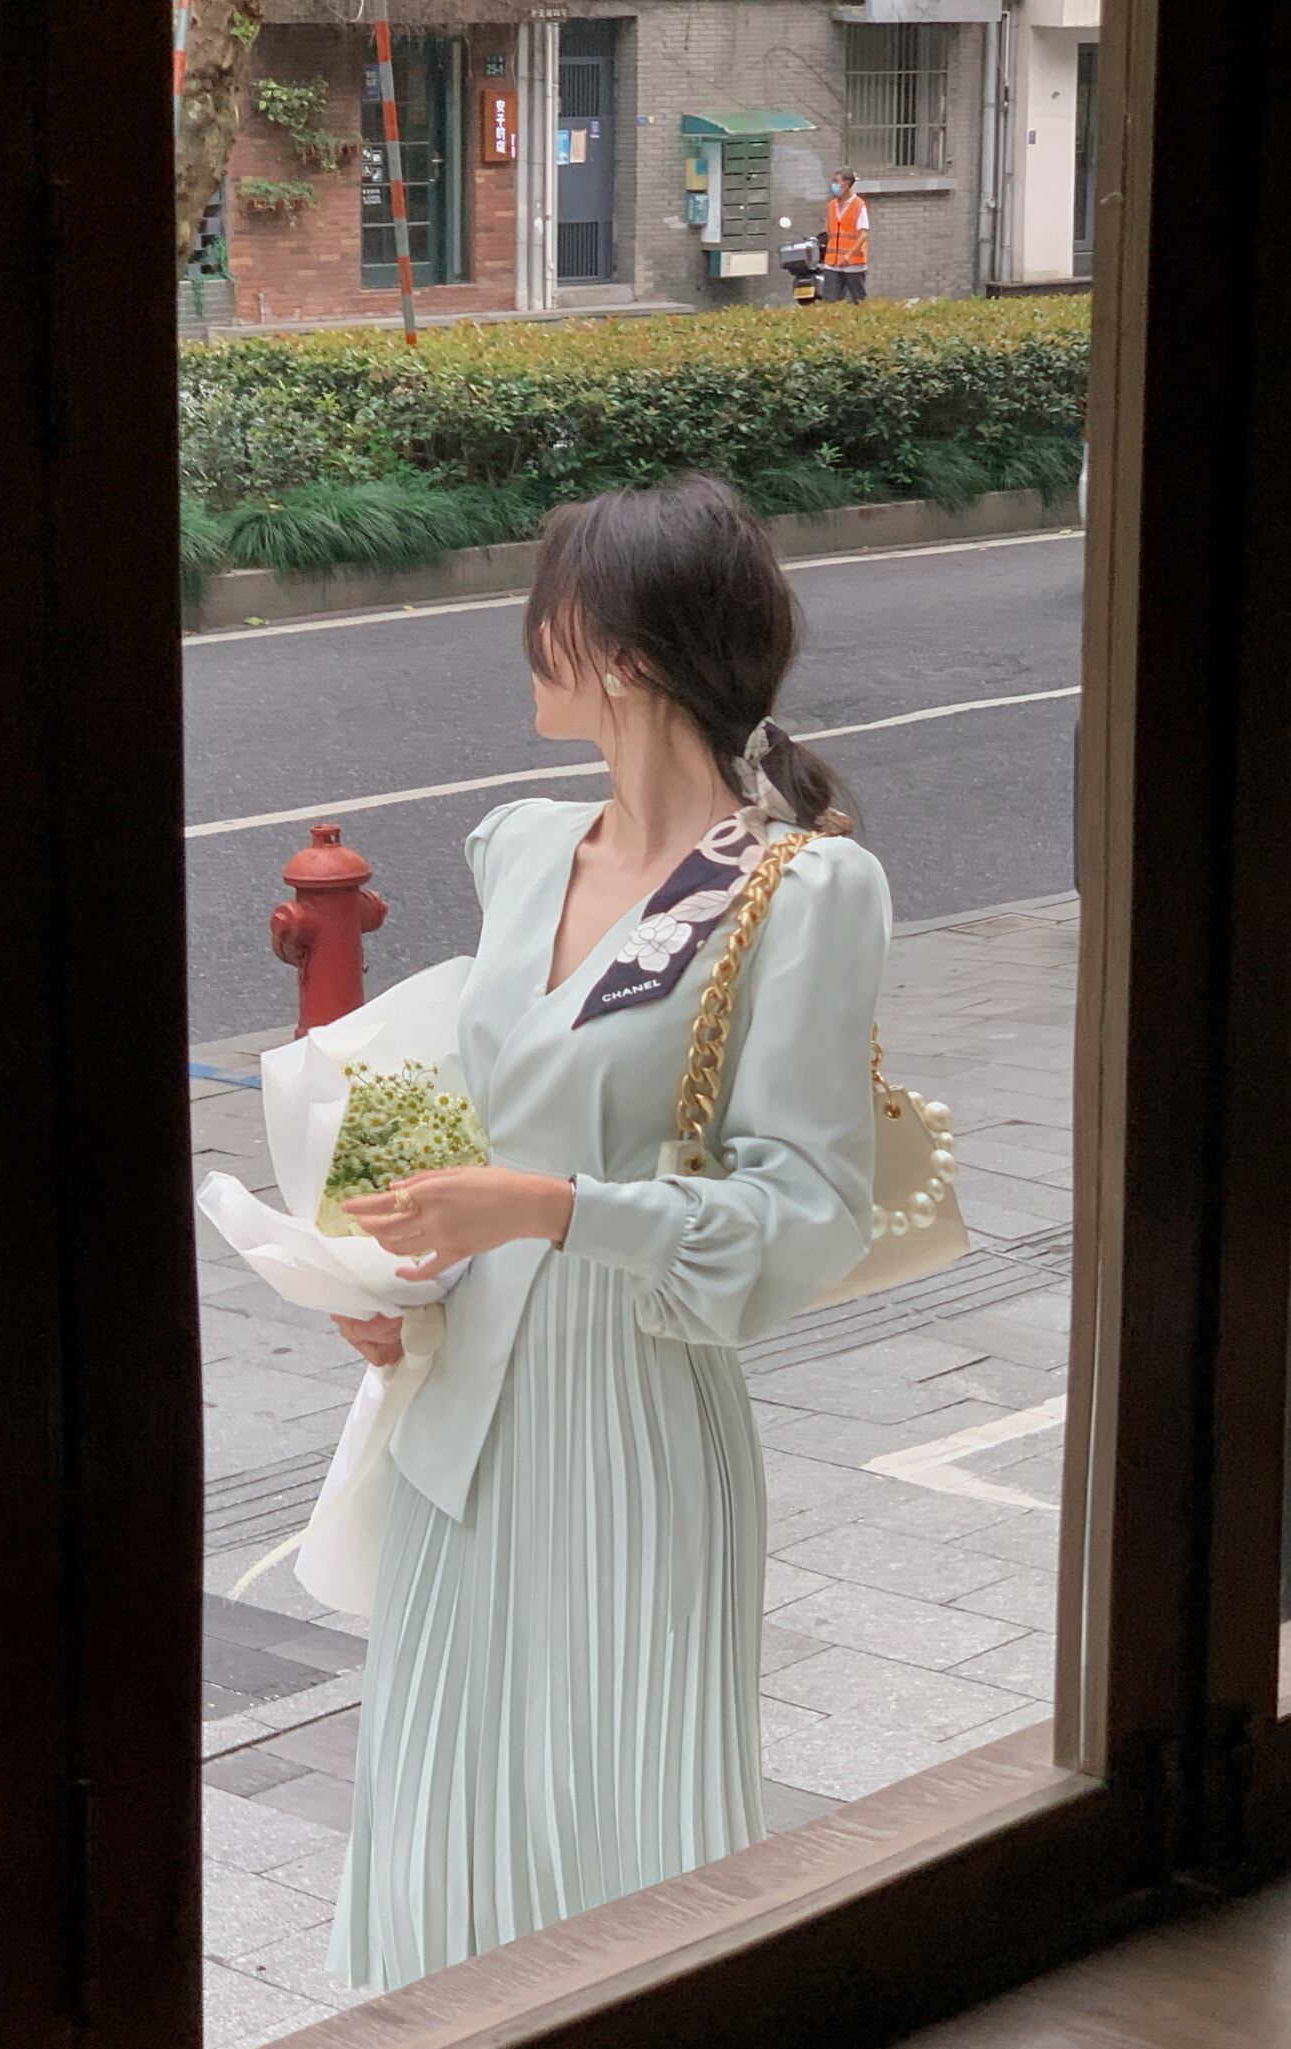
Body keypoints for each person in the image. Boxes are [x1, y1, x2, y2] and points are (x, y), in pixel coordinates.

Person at [325, 474, 891, 1991]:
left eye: (548, 614)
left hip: (635, 1406)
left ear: (624, 652)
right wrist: (392, 1280)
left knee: (634, 1831)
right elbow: (465, 1105)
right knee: (441, 1812)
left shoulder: (801, 890)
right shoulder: (519, 848)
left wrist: (554, 1208)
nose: (525, 638)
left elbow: (811, 1205)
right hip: (462, 1412)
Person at [822, 168, 869, 303]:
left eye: (836, 182)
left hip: (853, 264)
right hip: (832, 263)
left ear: (847, 183)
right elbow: (829, 230)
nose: (833, 185)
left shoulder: (859, 205)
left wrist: (848, 255)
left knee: (858, 301)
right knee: (829, 302)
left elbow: (863, 235)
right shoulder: (831, 205)